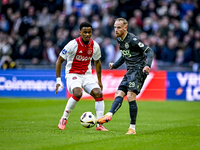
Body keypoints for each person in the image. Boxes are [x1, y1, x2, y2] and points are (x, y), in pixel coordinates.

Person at [97, 18, 154, 134]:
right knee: (118, 93)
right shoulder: (119, 39)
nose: (116, 29)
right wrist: (115, 65)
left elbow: (149, 51)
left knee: (130, 96)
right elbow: (124, 55)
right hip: (129, 72)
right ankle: (109, 115)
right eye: (115, 27)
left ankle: (132, 128)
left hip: (138, 70)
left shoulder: (133, 39)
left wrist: (147, 65)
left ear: (125, 28)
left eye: (118, 27)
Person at [55, 22, 108, 131]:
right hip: (72, 74)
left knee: (98, 93)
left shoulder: (95, 46)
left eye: (89, 32)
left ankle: (100, 124)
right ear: (80, 33)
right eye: (85, 32)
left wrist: (99, 81)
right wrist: (58, 80)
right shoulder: (72, 44)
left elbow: (97, 63)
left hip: (87, 75)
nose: (87, 34)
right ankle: (64, 119)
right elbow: (59, 61)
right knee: (78, 93)